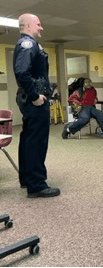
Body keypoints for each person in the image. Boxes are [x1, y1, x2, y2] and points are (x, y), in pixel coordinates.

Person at [14, 13, 60, 198]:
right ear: (28, 26)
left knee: (28, 139)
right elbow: (22, 72)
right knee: (37, 142)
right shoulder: (28, 44)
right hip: (34, 101)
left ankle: (27, 179)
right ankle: (36, 184)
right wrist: (34, 97)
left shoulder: (29, 44)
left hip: (29, 99)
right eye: (38, 24)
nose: (41, 28)